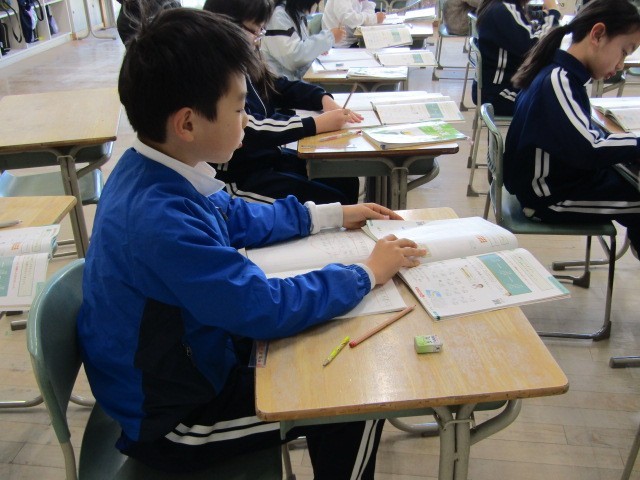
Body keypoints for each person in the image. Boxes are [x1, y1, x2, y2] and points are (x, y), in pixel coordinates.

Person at [77, 7, 426, 477]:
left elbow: (235, 215)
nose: (247, 120)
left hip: (189, 363)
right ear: (187, 124)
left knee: (331, 345)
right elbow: (262, 306)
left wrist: (331, 215)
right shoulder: (159, 220)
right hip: (177, 420)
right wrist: (365, 273)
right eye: (240, 108)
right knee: (354, 397)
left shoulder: (153, 167)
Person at [504, 0, 640, 258]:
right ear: (597, 34)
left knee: (629, 179)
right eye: (624, 51)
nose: (621, 65)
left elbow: (583, 138)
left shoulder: (563, 74)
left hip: (559, 181)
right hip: (549, 196)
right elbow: (590, 149)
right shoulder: (558, 80)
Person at [203, 0, 362, 205]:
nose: (258, 39)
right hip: (239, 179)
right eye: (255, 31)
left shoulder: (243, 60)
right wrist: (314, 124)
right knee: (333, 201)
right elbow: (248, 127)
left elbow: (278, 86)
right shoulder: (215, 72)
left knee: (345, 180)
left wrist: (321, 98)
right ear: (227, 25)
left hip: (267, 159)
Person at [473, 0, 560, 115]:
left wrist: (544, 16)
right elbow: (536, 48)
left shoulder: (501, 6)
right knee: (556, 102)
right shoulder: (502, 10)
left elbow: (526, 31)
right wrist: (553, 12)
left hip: (494, 88)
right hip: (498, 94)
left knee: (555, 92)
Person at [260, 0, 345, 80]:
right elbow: (294, 58)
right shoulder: (279, 16)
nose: (316, 5)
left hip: (293, 80)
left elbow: (302, 46)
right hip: (281, 83)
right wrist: (329, 38)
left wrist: (317, 49)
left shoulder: (294, 13)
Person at [322, 0, 386, 48]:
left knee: (383, 43)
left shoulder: (363, 1)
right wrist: (374, 18)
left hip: (355, 41)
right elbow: (348, 19)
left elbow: (369, 11)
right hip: (341, 45)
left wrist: (371, 18)